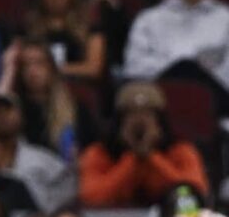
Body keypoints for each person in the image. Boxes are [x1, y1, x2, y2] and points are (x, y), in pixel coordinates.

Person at [122, 0, 229, 104]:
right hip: (158, 99)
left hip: (215, 101)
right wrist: (178, 66)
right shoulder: (148, 19)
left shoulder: (226, 19)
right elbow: (134, 67)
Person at [78, 81, 209, 207]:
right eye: (131, 114)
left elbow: (196, 191)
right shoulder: (98, 153)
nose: (140, 122)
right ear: (119, 122)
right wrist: (131, 158)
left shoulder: (181, 150)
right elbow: (90, 197)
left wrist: (151, 156)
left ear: (160, 121)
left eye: (148, 115)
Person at [0, 92, 78, 213]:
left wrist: (49, 214)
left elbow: (69, 190)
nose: (1, 116)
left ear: (20, 115)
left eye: (7, 110)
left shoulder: (42, 159)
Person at [0, 38, 90, 159]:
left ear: (51, 68)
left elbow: (92, 150)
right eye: (26, 65)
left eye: (39, 63)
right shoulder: (15, 108)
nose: (32, 71)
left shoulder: (75, 109)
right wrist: (8, 70)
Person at [24, 0, 106, 80]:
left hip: (77, 86)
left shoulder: (89, 26)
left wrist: (52, 69)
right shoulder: (29, 26)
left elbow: (93, 68)